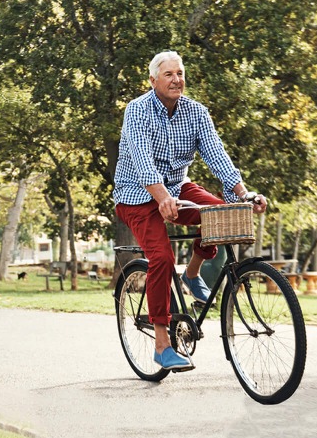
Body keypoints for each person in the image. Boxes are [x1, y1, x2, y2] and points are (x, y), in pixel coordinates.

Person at [113, 51, 267, 372]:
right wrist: (160, 198)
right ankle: (161, 344)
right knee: (162, 256)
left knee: (220, 214)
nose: (176, 79)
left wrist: (244, 193)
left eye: (180, 73)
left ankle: (193, 273)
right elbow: (142, 161)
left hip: (177, 187)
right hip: (136, 195)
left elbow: (217, 156)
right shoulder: (137, 111)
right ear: (153, 80)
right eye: (168, 74)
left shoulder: (196, 113)